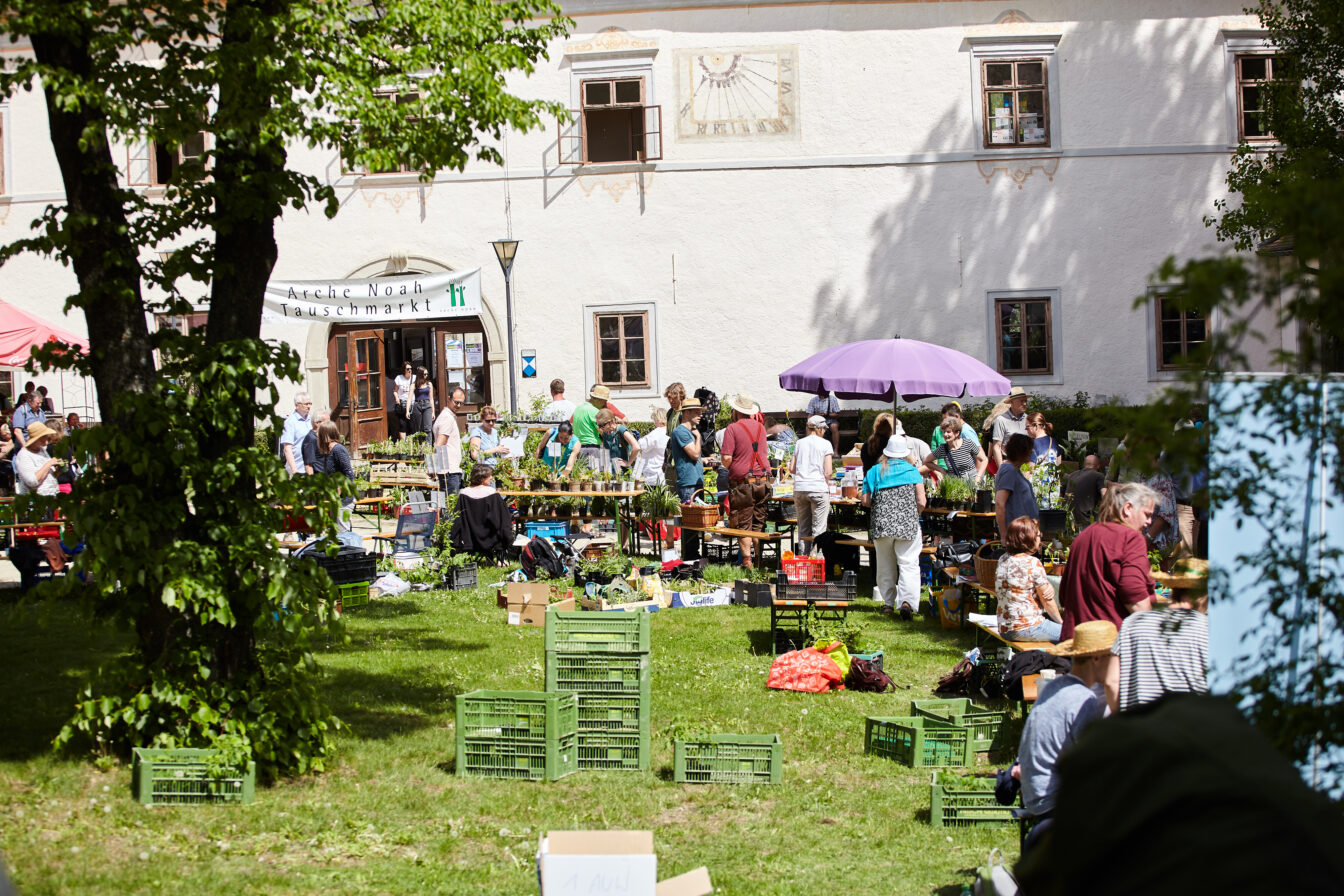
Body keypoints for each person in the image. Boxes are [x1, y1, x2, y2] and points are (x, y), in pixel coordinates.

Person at [1015, 620, 1116, 846]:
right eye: (1112, 657)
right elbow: (1088, 765)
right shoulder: (1084, 700)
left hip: (1033, 792)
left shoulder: (1053, 686)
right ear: (1097, 658)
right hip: (1052, 801)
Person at [1058, 481, 1159, 639]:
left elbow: (1063, 596)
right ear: (1128, 508)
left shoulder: (1083, 536)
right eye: (1147, 514)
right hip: (1110, 644)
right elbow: (1136, 598)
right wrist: (1154, 632)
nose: (1149, 522)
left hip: (1076, 642)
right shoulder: (1131, 538)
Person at [1108, 585, 1208, 713]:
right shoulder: (1206, 627)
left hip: (1139, 720)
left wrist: (1121, 717)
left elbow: (1111, 682)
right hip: (1189, 720)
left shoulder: (1132, 622)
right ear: (1202, 597)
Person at [861, 434, 926, 618]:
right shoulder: (913, 471)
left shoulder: (874, 471)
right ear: (905, 453)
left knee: (885, 565)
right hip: (908, 524)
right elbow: (921, 501)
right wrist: (913, 515)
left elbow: (865, 501)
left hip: (882, 525)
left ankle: (888, 603)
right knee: (908, 564)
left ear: (886, 453)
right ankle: (907, 602)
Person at [721, 392, 772, 570]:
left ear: (736, 411)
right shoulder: (761, 428)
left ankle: (747, 564)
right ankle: (759, 563)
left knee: (743, 524)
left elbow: (726, 458)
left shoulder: (732, 428)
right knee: (758, 524)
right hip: (763, 481)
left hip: (743, 484)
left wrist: (734, 467)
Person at [996, 515, 1063, 642]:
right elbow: (1047, 601)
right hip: (1028, 627)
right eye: (1038, 535)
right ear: (1029, 538)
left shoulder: (1003, 559)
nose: (1040, 537)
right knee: (1075, 635)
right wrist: (1062, 623)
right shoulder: (1032, 563)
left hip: (1005, 628)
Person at [450, 463, 515, 564]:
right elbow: (502, 519)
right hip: (491, 538)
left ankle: (489, 559)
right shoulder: (492, 494)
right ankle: (499, 559)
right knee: (501, 524)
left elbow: (457, 520)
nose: (491, 478)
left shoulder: (464, 494)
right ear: (482, 478)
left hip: (470, 539)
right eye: (489, 476)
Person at [790, 415, 834, 557]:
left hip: (800, 488)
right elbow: (828, 471)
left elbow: (792, 469)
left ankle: (803, 559)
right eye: (824, 429)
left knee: (803, 528)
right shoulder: (826, 444)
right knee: (819, 529)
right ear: (820, 428)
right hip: (818, 488)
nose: (824, 431)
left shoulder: (799, 443)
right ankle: (815, 560)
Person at [669, 398, 706, 561]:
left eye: (700, 412)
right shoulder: (681, 432)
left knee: (696, 521)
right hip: (688, 483)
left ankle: (694, 554)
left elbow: (694, 457)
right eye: (696, 412)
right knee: (690, 522)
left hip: (695, 481)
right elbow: (694, 454)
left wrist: (704, 460)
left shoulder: (688, 432)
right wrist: (698, 438)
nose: (700, 415)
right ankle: (690, 556)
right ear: (686, 412)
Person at [309, 420, 355, 528]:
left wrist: (339, 491)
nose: (317, 437)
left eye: (319, 434)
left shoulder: (338, 450)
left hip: (344, 499)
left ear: (324, 435)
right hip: (335, 499)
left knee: (342, 532)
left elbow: (349, 474)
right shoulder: (329, 451)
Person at [994, 432, 1038, 538]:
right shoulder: (1009, 471)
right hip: (1017, 534)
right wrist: (1004, 535)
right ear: (1021, 451)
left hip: (1024, 533)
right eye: (1029, 449)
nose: (1032, 452)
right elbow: (999, 503)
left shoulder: (1013, 470)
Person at [921, 417, 988, 484]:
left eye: (948, 432)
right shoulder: (942, 448)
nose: (945, 434)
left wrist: (979, 476)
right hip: (955, 484)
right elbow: (926, 461)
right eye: (944, 432)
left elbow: (984, 459)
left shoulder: (967, 443)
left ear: (957, 433)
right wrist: (940, 469)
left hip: (972, 482)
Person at [14, 420, 62, 498]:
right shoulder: (24, 455)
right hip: (36, 500)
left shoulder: (41, 450)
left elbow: (47, 473)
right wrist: (49, 463)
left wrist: (58, 470)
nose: (46, 438)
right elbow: (32, 481)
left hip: (51, 497)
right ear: (38, 438)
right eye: (44, 436)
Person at [432, 386, 465, 495]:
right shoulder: (447, 418)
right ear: (448, 399)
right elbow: (439, 444)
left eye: (461, 403)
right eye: (456, 402)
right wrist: (432, 467)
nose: (458, 405)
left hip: (449, 470)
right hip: (449, 471)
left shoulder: (448, 416)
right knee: (450, 504)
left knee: (448, 503)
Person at [989, 385, 1030, 467]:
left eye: (1025, 401)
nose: (1025, 404)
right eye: (1021, 401)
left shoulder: (1028, 419)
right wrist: (1001, 468)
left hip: (1026, 464)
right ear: (1012, 402)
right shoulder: (1001, 420)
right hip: (1009, 463)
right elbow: (997, 446)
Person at [1063, 454, 1106, 522]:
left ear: (1084, 465)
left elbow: (1061, 494)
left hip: (1066, 517)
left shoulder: (1072, 475)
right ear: (1098, 466)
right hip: (1085, 518)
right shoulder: (1099, 476)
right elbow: (1104, 495)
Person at [571, 384, 608, 464]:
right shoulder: (594, 411)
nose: (605, 404)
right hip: (591, 448)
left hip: (578, 448)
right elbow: (603, 431)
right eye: (605, 401)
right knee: (594, 471)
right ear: (599, 400)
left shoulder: (578, 408)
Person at [279, 392, 313, 476]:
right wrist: (294, 470)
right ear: (297, 405)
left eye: (310, 403)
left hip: (311, 468)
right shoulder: (290, 422)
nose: (309, 406)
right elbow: (287, 448)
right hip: (298, 469)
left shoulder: (311, 420)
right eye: (306, 404)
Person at [597, 408, 640, 474]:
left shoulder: (621, 430)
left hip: (622, 473)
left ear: (610, 422)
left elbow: (636, 447)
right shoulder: (605, 433)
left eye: (602, 425)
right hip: (609, 473)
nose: (600, 428)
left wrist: (628, 463)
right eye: (598, 425)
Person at [637, 408, 669, 484]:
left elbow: (641, 445)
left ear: (658, 419)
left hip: (653, 474)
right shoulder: (669, 431)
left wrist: (642, 438)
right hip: (664, 473)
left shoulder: (656, 433)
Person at [806, 387, 841, 455]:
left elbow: (837, 414)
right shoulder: (813, 400)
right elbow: (810, 414)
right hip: (817, 422)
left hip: (830, 421)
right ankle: (811, 450)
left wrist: (827, 414)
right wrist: (811, 420)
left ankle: (835, 451)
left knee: (834, 426)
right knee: (809, 425)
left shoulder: (832, 399)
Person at [301, 408, 331, 475]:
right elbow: (309, 465)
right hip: (318, 477)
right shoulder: (311, 439)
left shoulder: (322, 436)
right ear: (317, 423)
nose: (330, 425)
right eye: (327, 422)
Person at [407, 366, 435, 437]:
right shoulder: (414, 385)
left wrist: (433, 412)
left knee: (428, 428)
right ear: (420, 375)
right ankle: (419, 443)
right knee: (418, 429)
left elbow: (431, 398)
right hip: (417, 405)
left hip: (427, 405)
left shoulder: (429, 384)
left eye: (427, 374)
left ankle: (428, 444)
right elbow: (409, 398)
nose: (426, 375)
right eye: (425, 374)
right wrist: (407, 411)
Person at [393, 362, 415, 439]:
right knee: (402, 424)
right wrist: (397, 399)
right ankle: (403, 443)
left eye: (411, 369)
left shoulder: (414, 378)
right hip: (402, 403)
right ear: (404, 370)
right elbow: (395, 391)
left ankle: (411, 443)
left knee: (411, 425)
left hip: (412, 403)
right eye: (408, 369)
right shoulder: (399, 378)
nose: (410, 370)